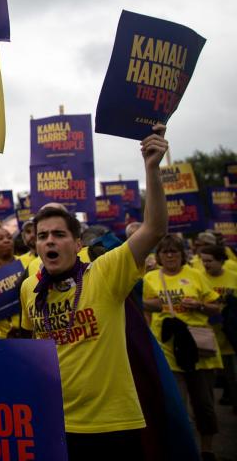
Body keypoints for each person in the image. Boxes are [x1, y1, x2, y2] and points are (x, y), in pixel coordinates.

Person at [19, 125, 169, 459]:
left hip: (112, 426)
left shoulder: (104, 274)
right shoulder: (30, 288)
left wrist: (151, 169)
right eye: (43, 236)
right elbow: (30, 349)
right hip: (54, 423)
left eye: (59, 234)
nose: (50, 241)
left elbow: (155, 229)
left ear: (77, 242)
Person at [143, 235, 222, 455]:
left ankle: (207, 452)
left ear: (182, 254)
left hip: (198, 349)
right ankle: (183, 452)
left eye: (174, 251)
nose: (170, 255)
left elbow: (215, 307)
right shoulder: (151, 278)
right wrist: (143, 301)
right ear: (158, 256)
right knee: (176, 408)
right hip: (167, 349)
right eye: (165, 252)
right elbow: (147, 309)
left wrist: (199, 305)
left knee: (204, 406)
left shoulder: (196, 275)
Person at [199, 244, 236, 414]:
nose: (206, 264)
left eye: (210, 261)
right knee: (210, 378)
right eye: (203, 261)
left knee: (232, 374)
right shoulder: (198, 277)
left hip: (230, 335)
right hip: (207, 335)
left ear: (221, 261)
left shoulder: (234, 276)